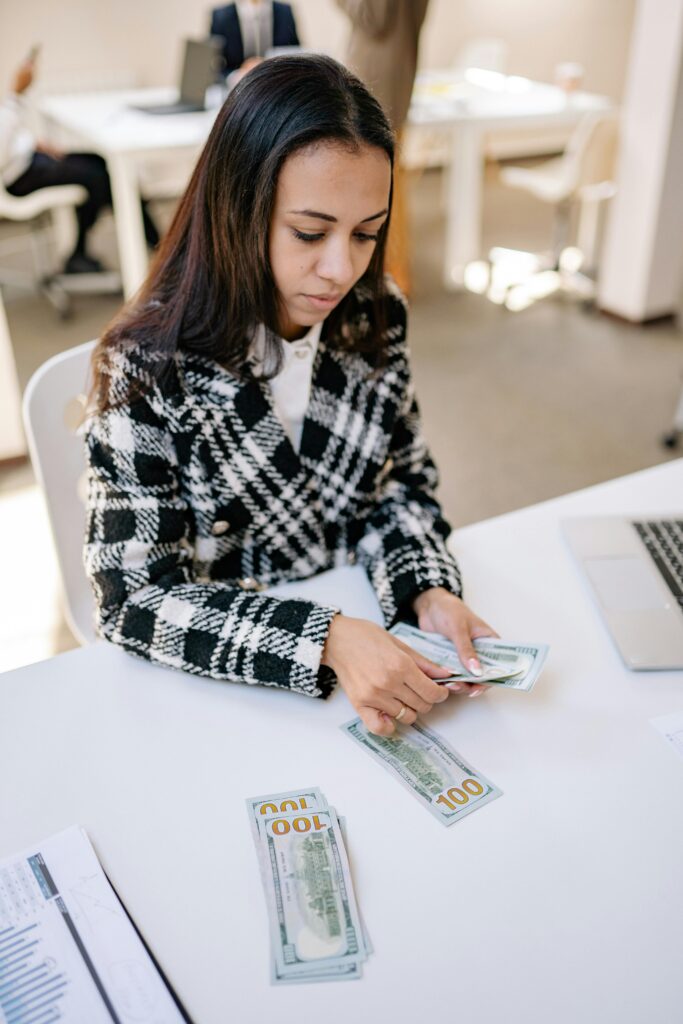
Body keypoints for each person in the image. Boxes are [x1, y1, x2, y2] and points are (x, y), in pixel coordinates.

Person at [84, 54, 496, 738]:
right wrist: (326, 637)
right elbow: (132, 600)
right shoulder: (144, 365)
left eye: (367, 233)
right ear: (237, 209)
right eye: (309, 232)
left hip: (369, 660)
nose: (341, 269)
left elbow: (402, 485)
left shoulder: (373, 314)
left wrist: (424, 587)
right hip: (226, 689)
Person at [1, 54, 160, 275]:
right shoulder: (14, 99)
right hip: (15, 176)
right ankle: (158, 246)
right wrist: (16, 94)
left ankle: (83, 251)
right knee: (102, 177)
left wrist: (30, 142)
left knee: (100, 162)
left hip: (23, 160)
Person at [334, 0, 430, 295]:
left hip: (377, 80)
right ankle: (391, 270)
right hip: (399, 74)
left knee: (383, 184)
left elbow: (372, 17)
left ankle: (390, 272)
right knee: (391, 181)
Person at [210, 1, 300, 78]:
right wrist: (234, 75)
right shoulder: (221, 16)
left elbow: (295, 53)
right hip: (236, 82)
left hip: (276, 79)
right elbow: (213, 62)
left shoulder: (285, 12)